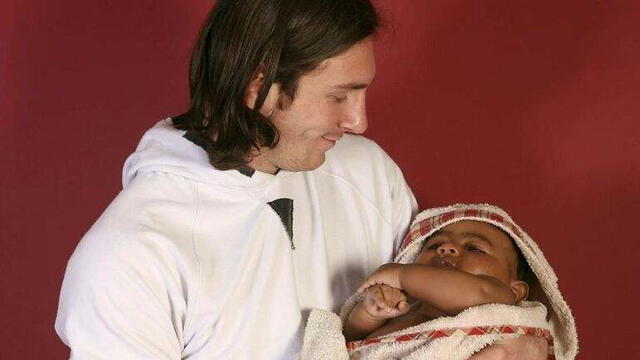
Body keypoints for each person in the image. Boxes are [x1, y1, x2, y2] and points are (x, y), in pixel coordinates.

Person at [55, 1, 550, 358]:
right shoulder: (129, 258)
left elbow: (454, 322)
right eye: (340, 96)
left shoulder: (367, 171)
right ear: (258, 84)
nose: (358, 121)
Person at [301, 204, 578, 359]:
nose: (448, 249)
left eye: (474, 248)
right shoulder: (408, 304)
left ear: (515, 289)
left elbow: (478, 293)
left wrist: (401, 275)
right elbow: (354, 339)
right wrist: (371, 312)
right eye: (434, 245)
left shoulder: (497, 299)